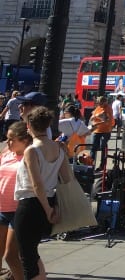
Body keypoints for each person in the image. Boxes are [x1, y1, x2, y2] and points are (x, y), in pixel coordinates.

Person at [15, 106, 71, 280]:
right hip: (49, 200)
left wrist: (48, 211)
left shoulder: (32, 150)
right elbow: (67, 177)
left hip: (31, 205)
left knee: (26, 256)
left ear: (29, 126)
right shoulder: (58, 148)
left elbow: (37, 184)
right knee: (32, 252)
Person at [0, 121, 32, 280]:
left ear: (25, 140)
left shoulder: (31, 155)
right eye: (7, 138)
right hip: (1, 208)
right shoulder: (6, 154)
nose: (8, 142)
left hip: (18, 210)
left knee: (11, 256)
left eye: (12, 139)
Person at [89, 95, 114, 171]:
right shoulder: (98, 108)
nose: (99, 105)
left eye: (100, 103)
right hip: (97, 130)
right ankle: (91, 165)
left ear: (105, 102)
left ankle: (102, 165)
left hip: (106, 131)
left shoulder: (108, 109)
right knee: (93, 147)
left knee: (102, 145)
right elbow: (91, 117)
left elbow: (107, 120)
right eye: (98, 103)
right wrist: (94, 117)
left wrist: (98, 118)